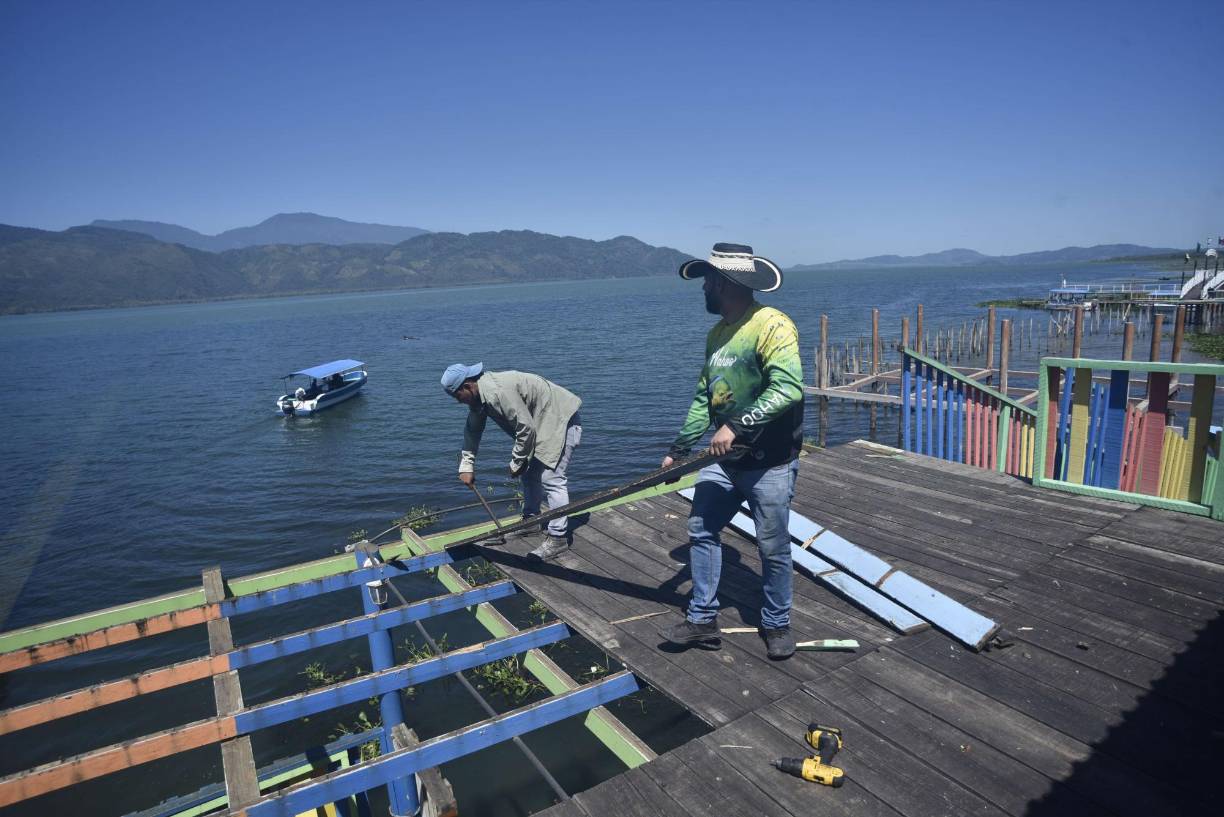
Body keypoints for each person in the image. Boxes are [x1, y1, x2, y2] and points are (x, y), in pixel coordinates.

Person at [660, 243, 805, 660]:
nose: (703, 287)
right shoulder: (717, 335)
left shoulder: (772, 325)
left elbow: (789, 389)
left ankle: (776, 623)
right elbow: (705, 396)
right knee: (701, 529)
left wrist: (736, 425)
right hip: (723, 460)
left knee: (772, 546)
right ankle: (702, 617)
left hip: (770, 461)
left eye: (707, 279)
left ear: (724, 282)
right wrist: (679, 449)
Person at [441, 363, 583, 561]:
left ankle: (558, 538)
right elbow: (472, 431)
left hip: (560, 419)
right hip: (540, 423)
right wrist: (466, 466)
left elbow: (525, 429)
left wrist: (516, 462)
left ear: (467, 386)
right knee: (530, 473)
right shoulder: (479, 398)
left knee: (552, 478)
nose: (458, 402)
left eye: (457, 396)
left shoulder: (496, 392)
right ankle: (531, 523)